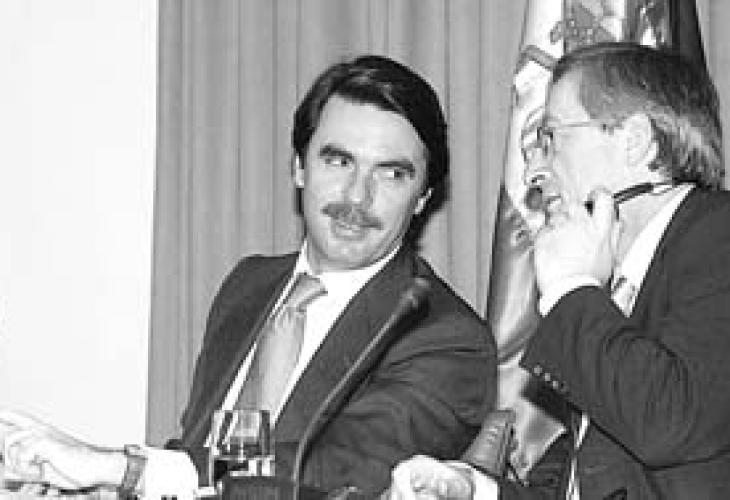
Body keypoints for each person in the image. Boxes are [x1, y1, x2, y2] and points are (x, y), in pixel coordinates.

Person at [0, 55, 496, 498]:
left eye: (390, 173)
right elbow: (195, 458)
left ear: (423, 198)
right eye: (338, 160)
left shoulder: (447, 337)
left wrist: (120, 469)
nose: (356, 196)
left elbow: (335, 474)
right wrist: (96, 488)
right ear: (298, 167)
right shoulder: (249, 285)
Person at [386, 42, 730, 499]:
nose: (532, 173)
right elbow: (595, 478)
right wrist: (474, 491)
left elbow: (667, 423)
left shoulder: (718, 237)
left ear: (634, 141)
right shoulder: (620, 283)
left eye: (549, 139)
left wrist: (571, 288)